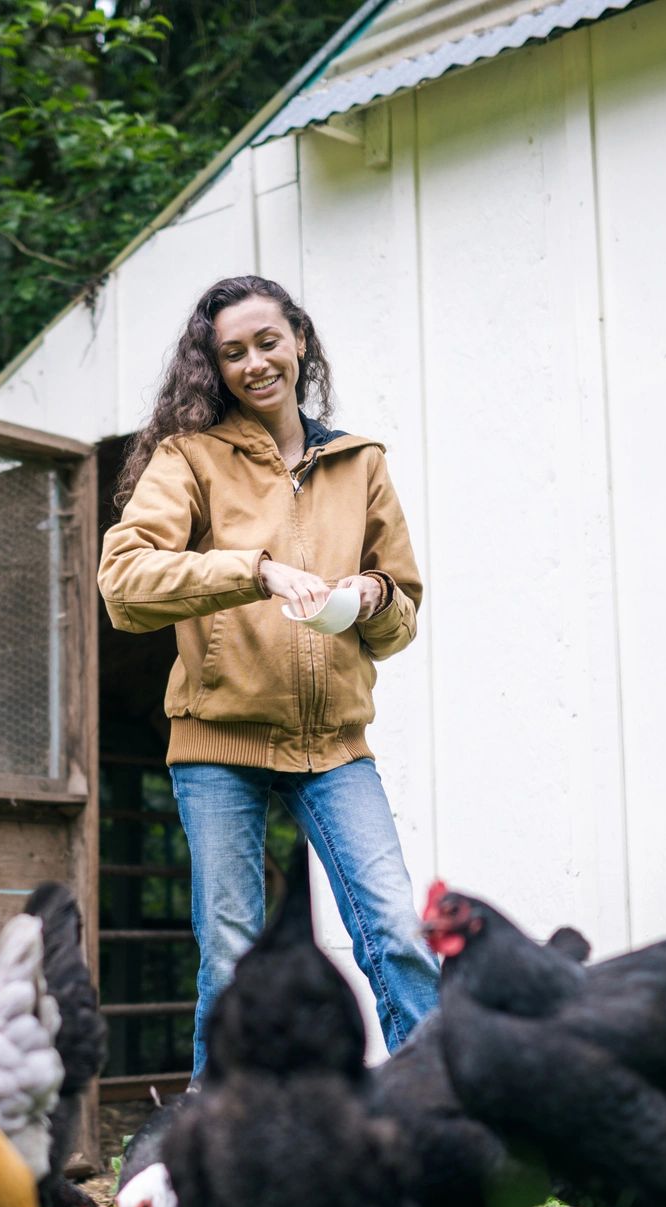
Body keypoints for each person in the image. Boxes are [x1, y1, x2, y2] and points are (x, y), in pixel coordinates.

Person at [98, 274, 438, 1078]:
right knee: (232, 957)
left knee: (396, 931)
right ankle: (217, 1150)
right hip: (219, 742)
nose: (255, 362)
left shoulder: (360, 464)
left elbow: (403, 613)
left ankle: (445, 1131)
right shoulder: (189, 460)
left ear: (300, 342)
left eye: (267, 342)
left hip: (336, 745)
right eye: (233, 352)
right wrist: (255, 571)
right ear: (214, 368)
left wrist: (372, 595)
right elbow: (125, 582)